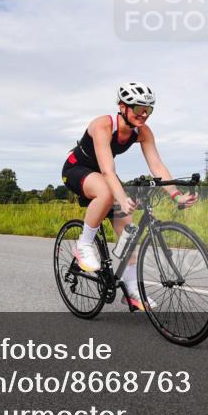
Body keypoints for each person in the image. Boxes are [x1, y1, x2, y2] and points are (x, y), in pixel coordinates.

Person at [61, 82, 197, 310]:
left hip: (103, 174)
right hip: (77, 170)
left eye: (149, 110)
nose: (144, 115)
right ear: (123, 106)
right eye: (138, 109)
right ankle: (83, 245)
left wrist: (176, 195)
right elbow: (107, 170)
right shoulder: (103, 125)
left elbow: (157, 166)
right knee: (107, 192)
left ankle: (131, 289)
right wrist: (121, 198)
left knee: (128, 231)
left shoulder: (142, 132)